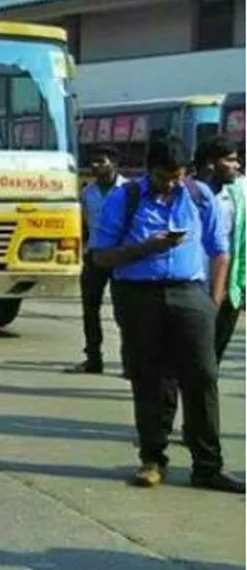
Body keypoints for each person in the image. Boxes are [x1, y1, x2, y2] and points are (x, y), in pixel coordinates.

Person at [89, 138, 242, 493]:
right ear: (148, 170)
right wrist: (148, 248)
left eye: (177, 176)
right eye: (162, 177)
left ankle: (207, 465)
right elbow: (100, 257)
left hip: (190, 294)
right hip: (139, 296)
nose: (170, 184)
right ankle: (153, 459)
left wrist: (212, 302)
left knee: (202, 376)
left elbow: (220, 251)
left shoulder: (199, 195)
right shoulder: (124, 200)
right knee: (150, 379)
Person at [66, 146, 127, 374]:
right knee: (90, 309)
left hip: (121, 256)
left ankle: (128, 360)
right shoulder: (87, 192)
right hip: (95, 256)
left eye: (101, 161)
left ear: (114, 164)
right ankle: (93, 357)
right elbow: (82, 224)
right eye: (92, 162)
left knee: (124, 312)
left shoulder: (127, 190)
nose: (95, 166)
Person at [195, 136, 245, 366]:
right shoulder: (189, 195)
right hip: (193, 286)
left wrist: (241, 283)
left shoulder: (236, 197)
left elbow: (242, 242)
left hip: (227, 287)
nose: (237, 166)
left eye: (237, 160)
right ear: (210, 164)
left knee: (214, 357)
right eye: (230, 160)